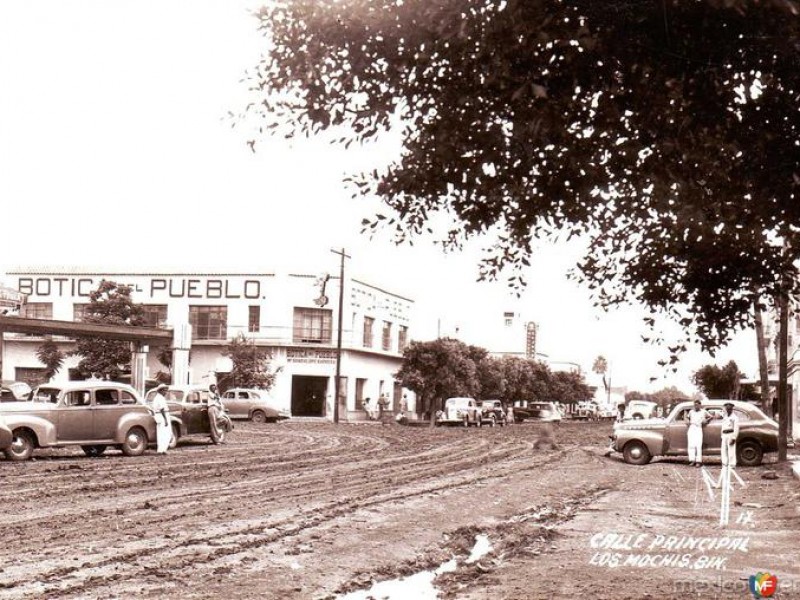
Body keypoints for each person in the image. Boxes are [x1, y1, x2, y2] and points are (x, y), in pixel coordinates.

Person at [686, 400, 712, 467]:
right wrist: (688, 421)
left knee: (698, 445)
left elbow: (711, 416)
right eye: (695, 405)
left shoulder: (703, 411)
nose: (696, 406)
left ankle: (698, 461)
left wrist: (706, 421)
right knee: (691, 445)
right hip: (692, 428)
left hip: (698, 428)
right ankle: (692, 460)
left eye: (697, 405)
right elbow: (687, 417)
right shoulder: (691, 411)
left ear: (700, 405)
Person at [150, 384, 171, 454]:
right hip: (162, 415)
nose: (166, 392)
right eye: (165, 391)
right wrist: (165, 419)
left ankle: (161, 449)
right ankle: (163, 449)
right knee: (166, 433)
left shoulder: (156, 398)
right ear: (161, 391)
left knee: (160, 433)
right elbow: (162, 409)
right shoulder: (160, 398)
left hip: (158, 415)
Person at [720, 401, 740, 468]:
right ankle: (724, 463)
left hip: (730, 434)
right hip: (724, 434)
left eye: (729, 409)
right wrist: (722, 435)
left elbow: (736, 428)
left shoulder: (735, 417)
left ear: (732, 409)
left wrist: (734, 438)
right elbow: (722, 426)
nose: (728, 410)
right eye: (727, 408)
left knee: (731, 450)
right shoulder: (725, 417)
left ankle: (732, 464)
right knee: (724, 450)